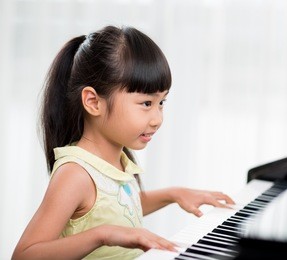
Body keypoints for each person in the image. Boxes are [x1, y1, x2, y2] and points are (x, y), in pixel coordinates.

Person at [12, 25, 235, 260]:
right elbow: (24, 255)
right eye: (146, 103)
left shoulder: (115, 160)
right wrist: (103, 235)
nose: (158, 119)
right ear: (93, 102)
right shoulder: (75, 174)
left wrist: (174, 194)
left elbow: (119, 207)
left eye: (162, 103)